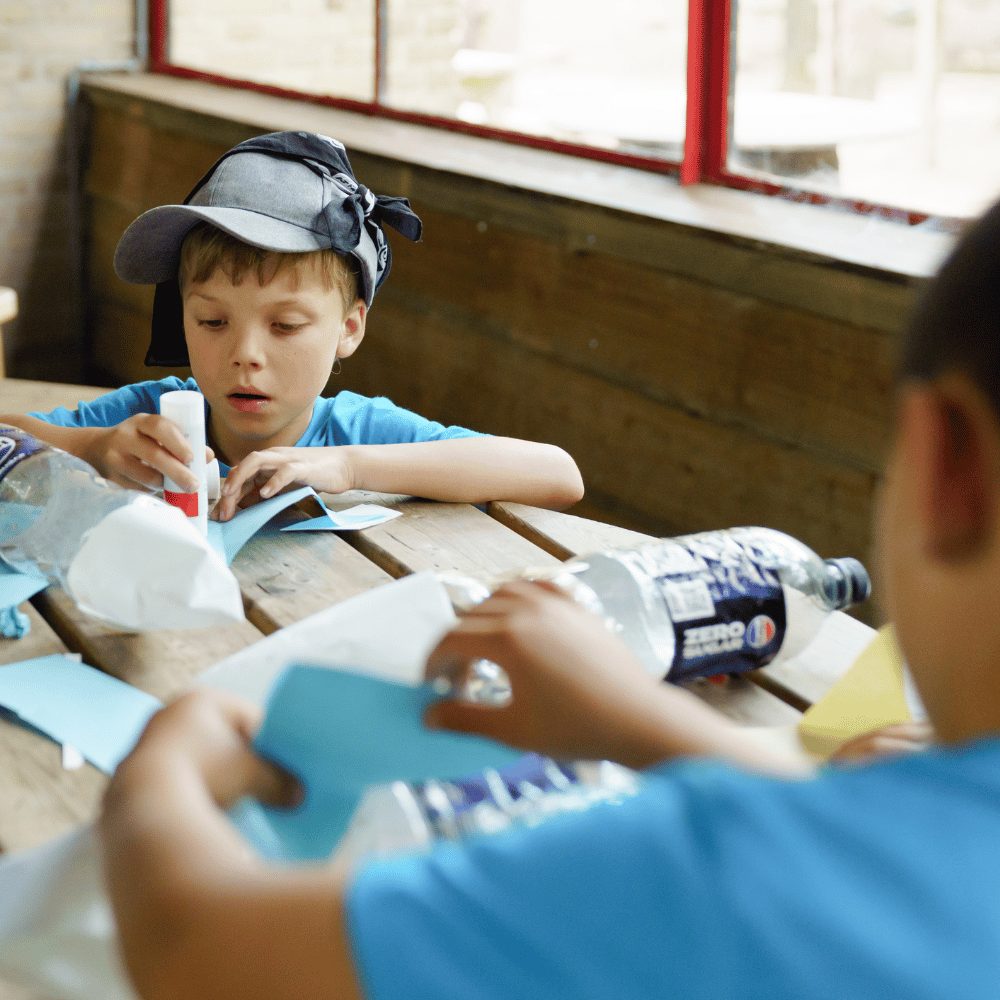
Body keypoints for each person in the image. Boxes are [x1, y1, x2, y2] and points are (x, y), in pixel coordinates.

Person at [98, 195, 1000, 1000]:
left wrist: (164, 760)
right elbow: (861, 834)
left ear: (945, 463)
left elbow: (201, 951)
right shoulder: (884, 832)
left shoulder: (712, 868)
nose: (245, 351)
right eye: (211, 318)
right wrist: (648, 730)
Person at [0, 132, 583, 519]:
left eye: (285, 325)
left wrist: (350, 466)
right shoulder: (154, 422)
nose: (245, 354)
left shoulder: (355, 433)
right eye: (211, 320)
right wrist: (90, 445)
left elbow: (558, 476)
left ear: (348, 329)